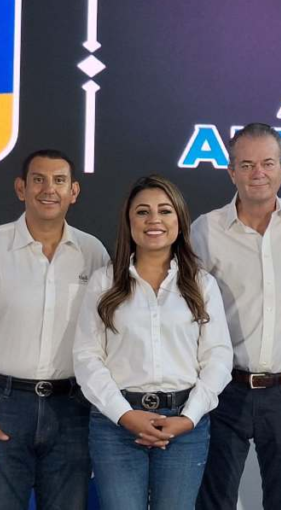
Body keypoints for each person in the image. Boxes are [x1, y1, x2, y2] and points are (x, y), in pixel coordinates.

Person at [0, 149, 108, 509]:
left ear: (74, 191)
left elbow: (104, 338)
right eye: (39, 180)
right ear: (21, 188)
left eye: (59, 181)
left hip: (73, 409)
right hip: (1, 406)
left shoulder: (93, 253)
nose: (48, 189)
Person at [192, 123, 281, 510]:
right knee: (214, 500)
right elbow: (185, 306)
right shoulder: (205, 231)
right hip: (223, 389)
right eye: (247, 164)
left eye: (268, 163)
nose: (258, 173)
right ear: (231, 172)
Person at [74, 174, 233, 510]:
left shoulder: (201, 284)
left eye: (165, 211)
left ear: (179, 219)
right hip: (116, 426)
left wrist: (188, 418)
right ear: (129, 221)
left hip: (184, 426)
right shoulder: (104, 281)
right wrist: (124, 415)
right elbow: (87, 357)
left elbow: (218, 357)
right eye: (142, 212)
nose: (154, 220)